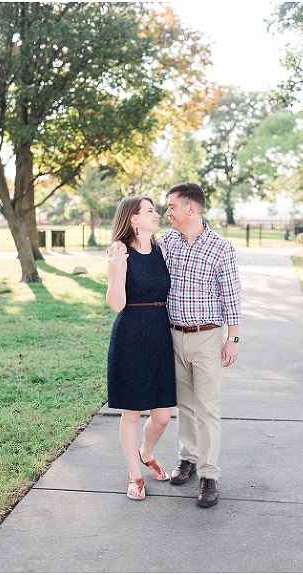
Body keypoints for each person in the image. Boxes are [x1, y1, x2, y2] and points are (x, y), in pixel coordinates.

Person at [157, 182, 241, 508]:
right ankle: (188, 459)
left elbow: (231, 298)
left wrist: (232, 339)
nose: (168, 213)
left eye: (172, 207)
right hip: (174, 335)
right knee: (186, 406)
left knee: (207, 408)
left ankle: (209, 475)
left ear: (190, 208)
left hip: (207, 337)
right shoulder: (166, 243)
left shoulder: (222, 248)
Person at [106, 196, 176, 500]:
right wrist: (116, 268)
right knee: (132, 412)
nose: (157, 214)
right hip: (131, 334)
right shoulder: (121, 253)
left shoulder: (162, 251)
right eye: (150, 211)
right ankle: (135, 475)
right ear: (133, 219)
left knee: (162, 416)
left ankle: (146, 453)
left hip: (160, 333)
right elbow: (116, 304)